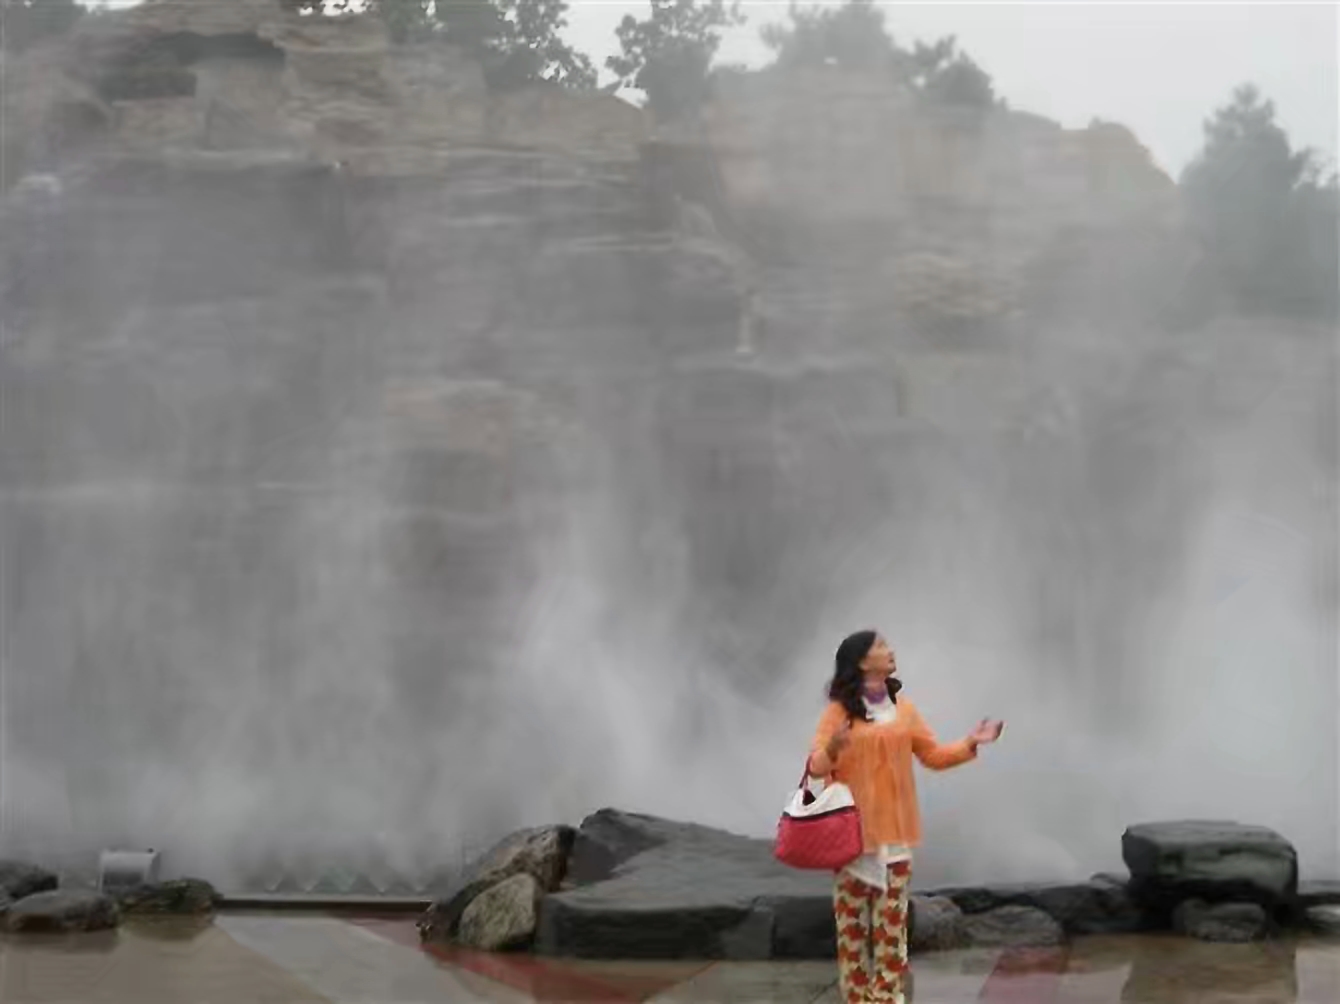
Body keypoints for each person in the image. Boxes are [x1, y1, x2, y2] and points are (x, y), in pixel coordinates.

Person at [807, 630, 1004, 1004]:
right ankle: (857, 999)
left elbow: (933, 756)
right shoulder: (838, 712)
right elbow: (815, 768)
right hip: (851, 840)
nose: (890, 650)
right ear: (862, 661)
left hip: (895, 839)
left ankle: (888, 998)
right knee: (852, 934)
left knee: (891, 933)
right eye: (881, 646)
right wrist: (833, 746)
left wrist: (971, 743)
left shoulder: (905, 709)